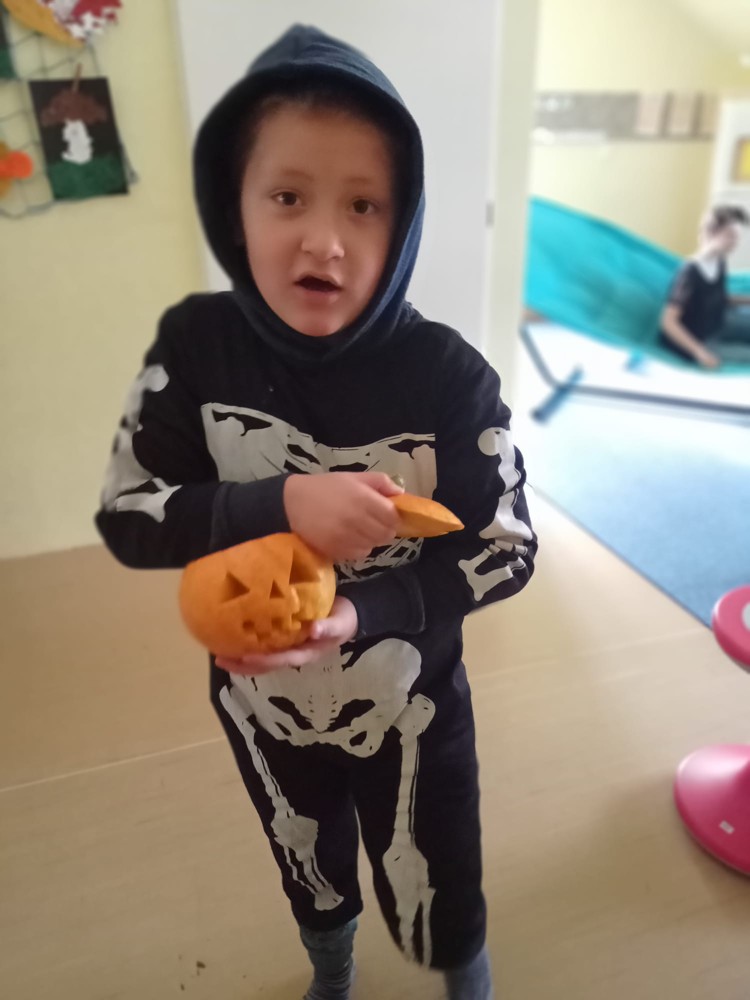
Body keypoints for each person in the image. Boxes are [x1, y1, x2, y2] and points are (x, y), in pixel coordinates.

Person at [95, 25, 536, 1000]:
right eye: (287, 196)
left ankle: (463, 972)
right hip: (262, 700)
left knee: (438, 849)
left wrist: (366, 610)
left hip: (411, 694)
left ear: (403, 223)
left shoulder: (449, 375)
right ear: (235, 206)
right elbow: (130, 512)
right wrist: (278, 499)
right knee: (304, 846)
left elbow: (506, 545)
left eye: (363, 205)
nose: (324, 239)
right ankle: (331, 969)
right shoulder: (196, 348)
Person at [659, 204, 750, 368]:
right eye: (731, 236)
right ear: (710, 233)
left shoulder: (719, 261)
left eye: (737, 237)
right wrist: (699, 351)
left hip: (718, 322)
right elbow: (668, 322)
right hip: (699, 340)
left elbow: (717, 298)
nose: (736, 242)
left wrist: (746, 300)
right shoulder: (689, 273)